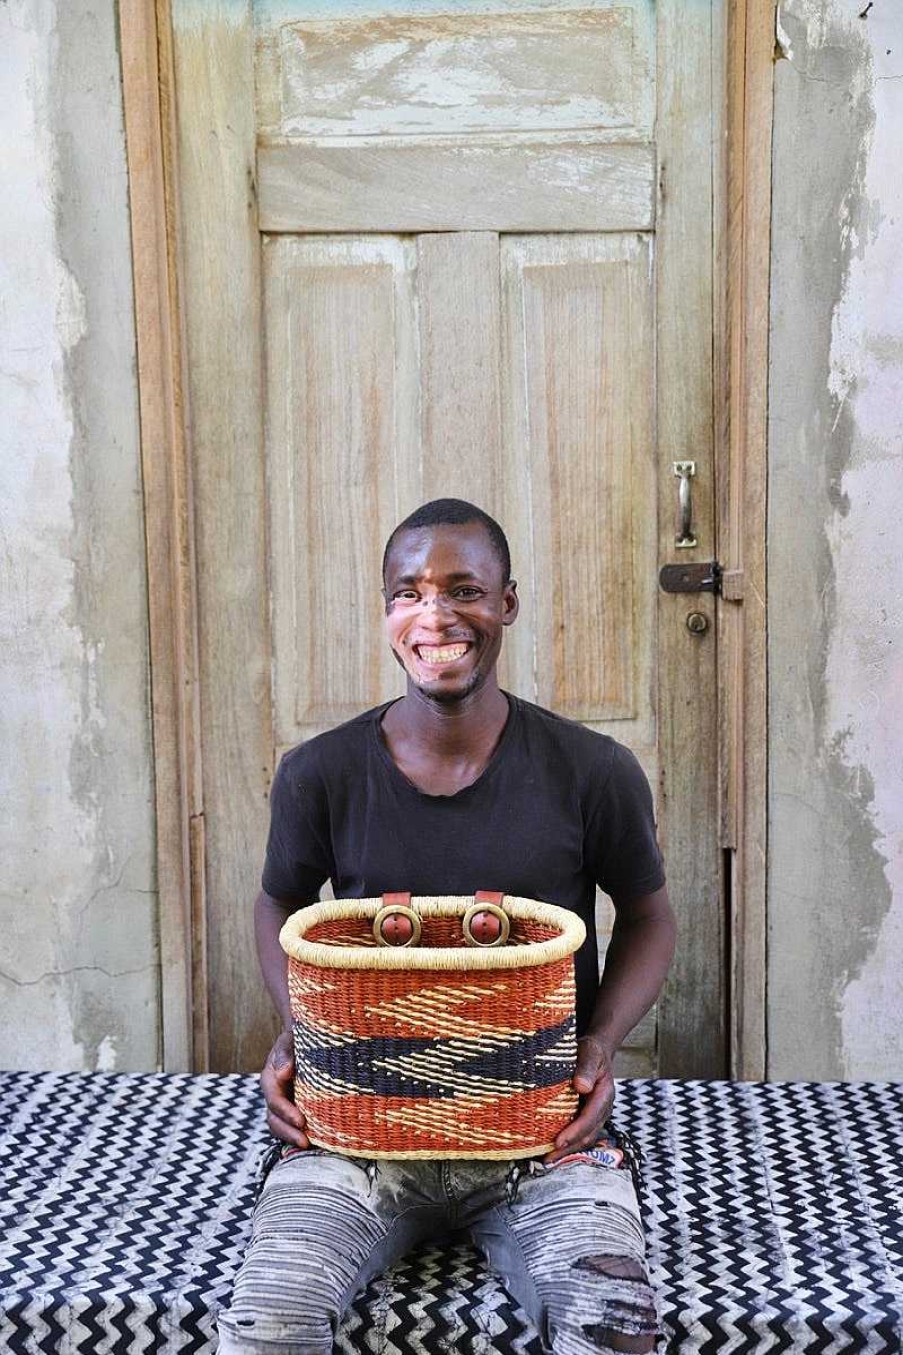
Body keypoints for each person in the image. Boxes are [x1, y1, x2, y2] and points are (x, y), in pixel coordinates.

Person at [218, 499, 676, 1355]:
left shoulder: (592, 770)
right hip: (354, 1131)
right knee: (267, 1321)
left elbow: (649, 914)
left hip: (540, 1133)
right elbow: (275, 903)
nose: (435, 615)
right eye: (408, 592)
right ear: (387, 609)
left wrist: (602, 1042)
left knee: (615, 1329)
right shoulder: (318, 773)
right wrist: (302, 1030)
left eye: (464, 589)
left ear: (507, 602)